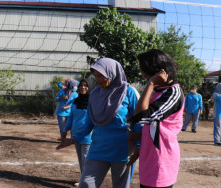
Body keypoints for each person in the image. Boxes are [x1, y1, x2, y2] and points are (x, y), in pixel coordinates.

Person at [57, 58, 142, 188]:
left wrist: (138, 146)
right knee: (86, 183)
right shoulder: (95, 94)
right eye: (96, 76)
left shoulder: (128, 92)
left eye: (102, 75)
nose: (98, 79)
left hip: (123, 149)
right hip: (98, 148)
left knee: (120, 185)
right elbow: (88, 123)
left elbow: (138, 122)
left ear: (112, 73)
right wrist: (74, 139)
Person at [128, 49, 184, 188]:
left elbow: (140, 117)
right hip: (150, 155)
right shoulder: (160, 91)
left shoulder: (173, 93)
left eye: (146, 72)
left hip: (161, 158)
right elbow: (155, 122)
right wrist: (141, 134)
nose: (144, 75)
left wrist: (151, 84)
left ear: (158, 71)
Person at [59, 78, 93, 187]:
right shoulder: (75, 101)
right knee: (80, 158)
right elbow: (71, 118)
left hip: (87, 135)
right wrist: (65, 131)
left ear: (89, 87)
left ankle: (86, 182)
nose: (83, 87)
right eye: (81, 85)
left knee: (86, 159)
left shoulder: (92, 102)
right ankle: (83, 180)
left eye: (86, 85)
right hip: (75, 134)